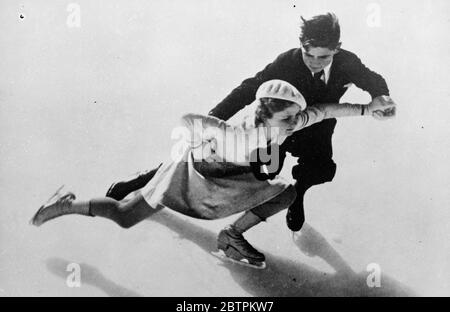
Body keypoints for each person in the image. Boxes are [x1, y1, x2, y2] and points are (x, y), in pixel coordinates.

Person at [31, 80, 395, 268]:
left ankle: (232, 235)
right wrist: (183, 144)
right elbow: (190, 120)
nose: (295, 123)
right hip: (193, 176)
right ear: (264, 115)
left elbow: (326, 109)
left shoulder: (289, 120)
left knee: (285, 191)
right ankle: (66, 205)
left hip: (233, 181)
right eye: (287, 119)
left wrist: (367, 109)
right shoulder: (232, 132)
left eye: (295, 117)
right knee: (125, 217)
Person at [105, 13, 396, 233]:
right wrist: (215, 118)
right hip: (273, 130)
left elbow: (372, 79)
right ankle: (149, 179)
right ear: (301, 46)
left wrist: (381, 97)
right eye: (309, 54)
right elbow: (248, 88)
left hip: (315, 128)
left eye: (324, 57)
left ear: (337, 49)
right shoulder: (288, 62)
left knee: (321, 169)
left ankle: (297, 195)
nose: (315, 62)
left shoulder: (347, 61)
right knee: (243, 167)